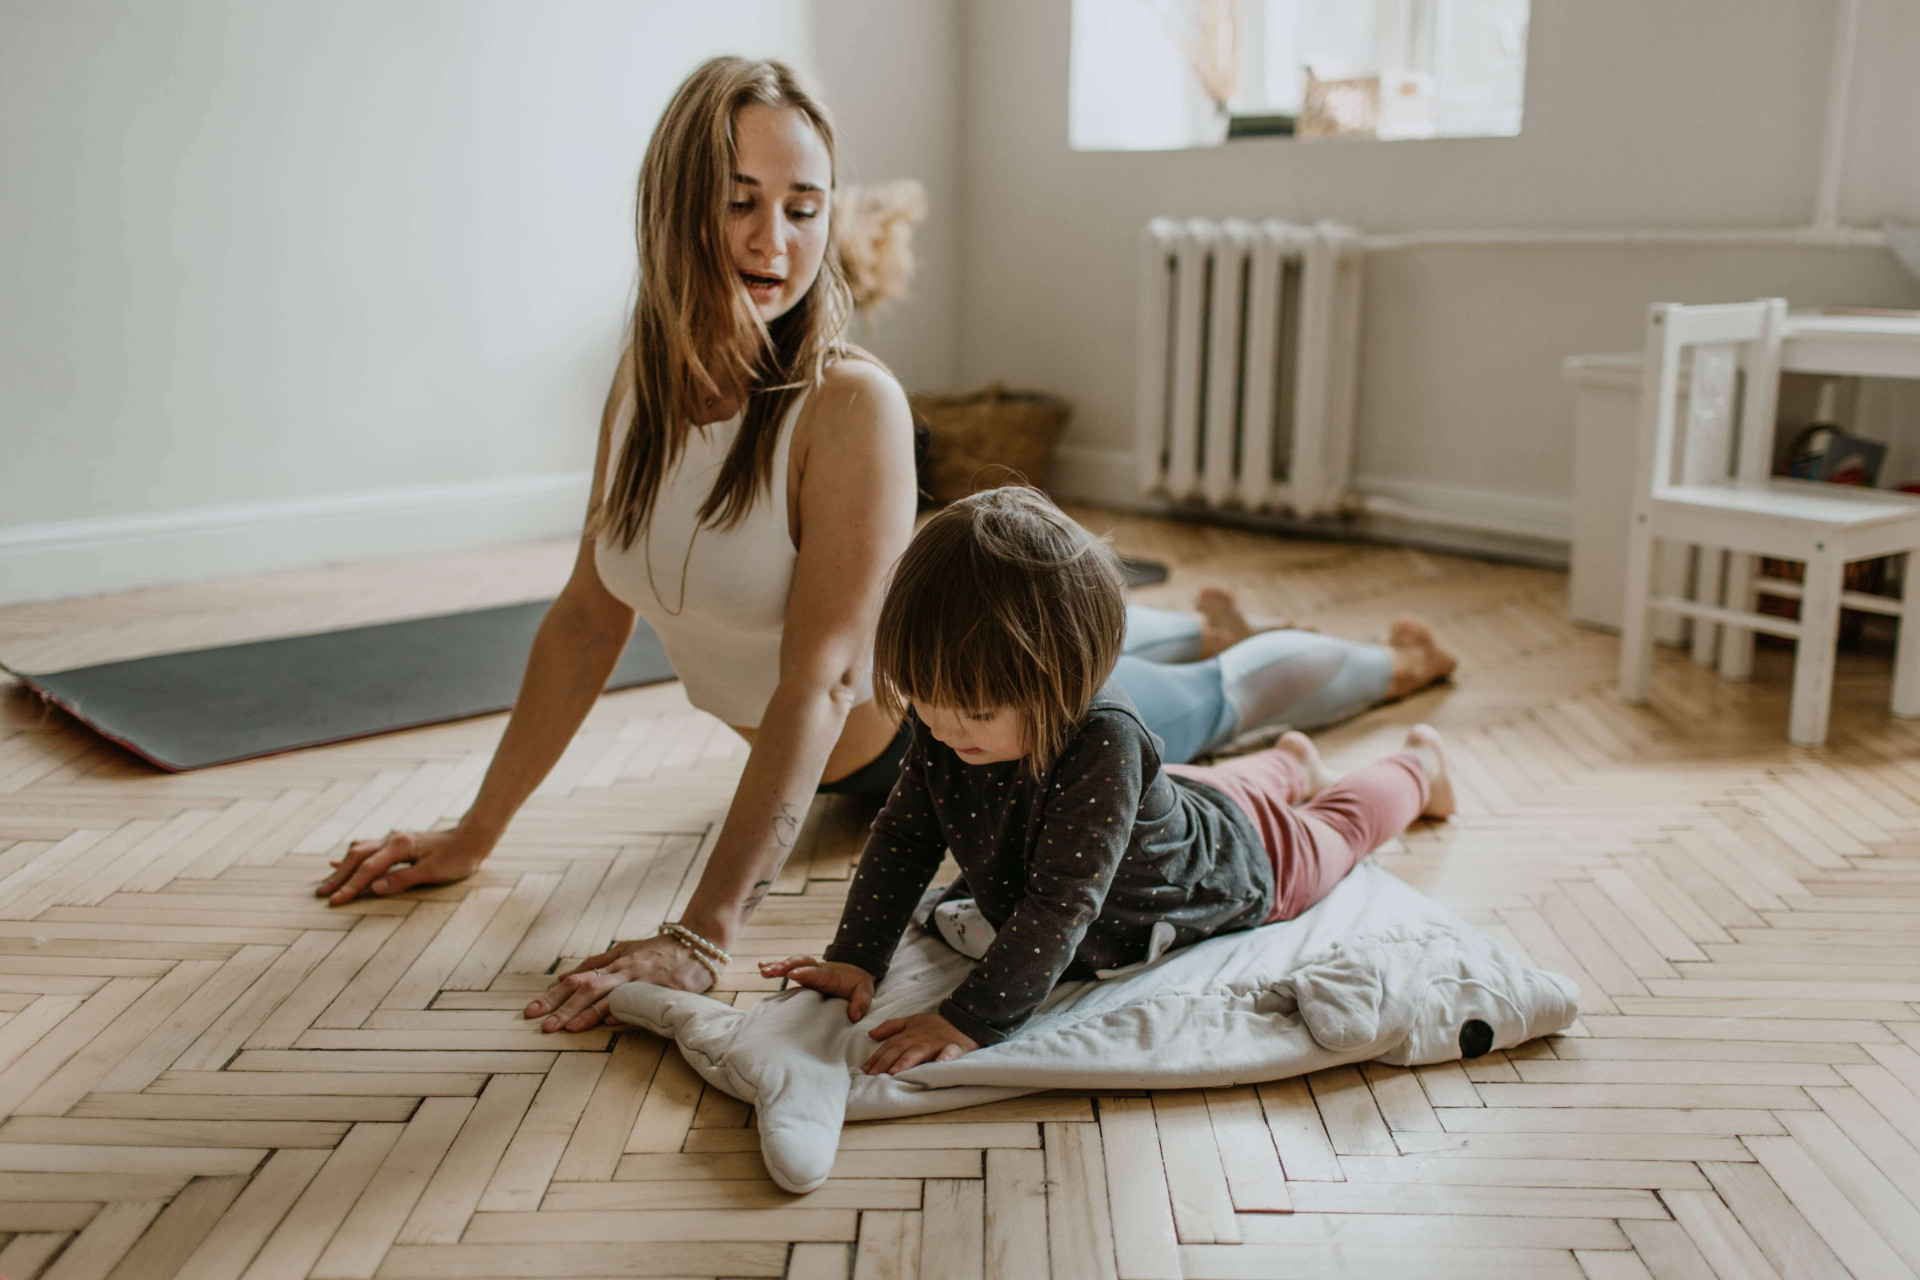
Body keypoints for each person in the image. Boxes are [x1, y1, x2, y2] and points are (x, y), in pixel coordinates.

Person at [314, 56, 1455, 1031]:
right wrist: (476, 829)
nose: (776, 239)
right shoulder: (642, 384)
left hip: (979, 732)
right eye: (740, 200)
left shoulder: (847, 404)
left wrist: (702, 934)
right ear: (673, 204)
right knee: (1165, 667)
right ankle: (1206, 653)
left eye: (804, 205)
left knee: (1210, 695)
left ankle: (1391, 671)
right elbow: (583, 617)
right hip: (930, 708)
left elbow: (819, 680)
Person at [760, 488, 1454, 1071]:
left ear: (1063, 682)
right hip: (1176, 802)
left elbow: (1061, 906)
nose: (942, 730)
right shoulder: (950, 721)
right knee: (1211, 790)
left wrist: (969, 1019)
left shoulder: (1105, 742)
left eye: (972, 712)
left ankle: (1419, 766)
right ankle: (1292, 761)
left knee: (1337, 827)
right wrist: (856, 954)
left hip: (1238, 859)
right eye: (924, 704)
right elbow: (906, 836)